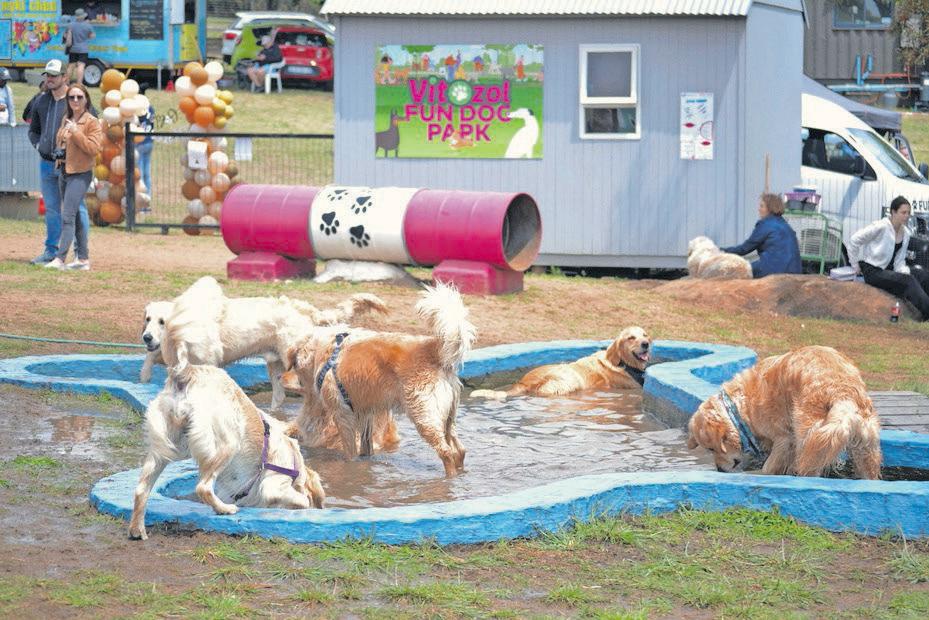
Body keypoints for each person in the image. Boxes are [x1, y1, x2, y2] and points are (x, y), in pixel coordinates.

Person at [28, 59, 90, 265]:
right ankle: (51, 252)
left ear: (65, 77)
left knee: (77, 209)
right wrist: (39, 145)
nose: (50, 79)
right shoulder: (41, 100)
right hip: (47, 163)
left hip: (71, 166)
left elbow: (93, 124)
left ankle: (80, 256)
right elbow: (33, 129)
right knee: (53, 209)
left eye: (54, 75)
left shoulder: (75, 99)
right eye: (47, 75)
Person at [44, 82, 101, 271]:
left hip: (81, 173)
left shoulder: (92, 121)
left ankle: (59, 259)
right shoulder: (66, 118)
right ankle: (83, 259)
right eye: (71, 97)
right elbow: (61, 144)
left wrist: (76, 132)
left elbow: (93, 149)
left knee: (67, 215)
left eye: (79, 97)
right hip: (64, 171)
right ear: (67, 100)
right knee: (74, 217)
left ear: (86, 100)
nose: (75, 100)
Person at [848, 196, 929, 321]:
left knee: (923, 274)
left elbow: (900, 260)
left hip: (890, 270)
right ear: (893, 212)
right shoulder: (880, 226)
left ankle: (923, 314)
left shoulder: (906, 233)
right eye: (903, 212)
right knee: (909, 281)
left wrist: (904, 271)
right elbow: (854, 240)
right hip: (873, 271)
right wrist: (855, 265)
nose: (906, 216)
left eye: (908, 213)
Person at [721, 192, 802, 278]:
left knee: (736, 274)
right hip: (795, 271)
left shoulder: (766, 225)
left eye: (762, 206)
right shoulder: (785, 224)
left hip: (774, 270)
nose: (759, 209)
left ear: (770, 208)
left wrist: (720, 251)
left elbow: (744, 249)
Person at [64, 8, 95, 86]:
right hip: (83, 49)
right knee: (81, 66)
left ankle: (66, 82)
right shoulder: (88, 25)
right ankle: (79, 83)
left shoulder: (70, 25)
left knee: (71, 66)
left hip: (73, 49)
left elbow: (65, 35)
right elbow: (92, 36)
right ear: (83, 16)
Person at [135, 84, 155, 201]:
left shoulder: (137, 109)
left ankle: (142, 200)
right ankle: (148, 197)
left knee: (140, 174)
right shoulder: (150, 107)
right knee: (147, 172)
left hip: (140, 143)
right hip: (149, 141)